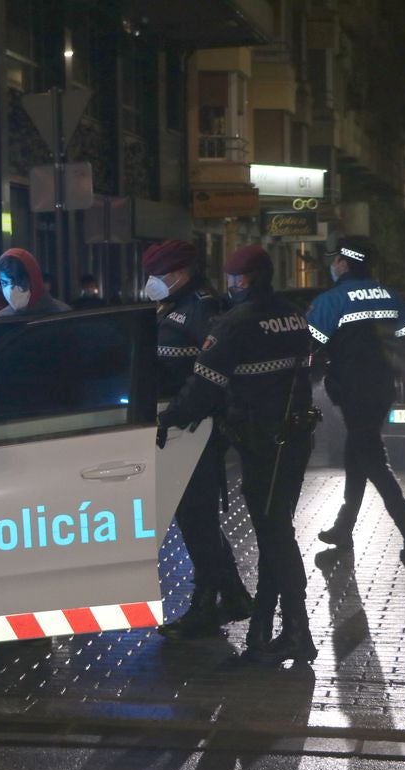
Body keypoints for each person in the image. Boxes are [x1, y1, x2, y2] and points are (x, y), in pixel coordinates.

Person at [158, 245, 319, 663]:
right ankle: (264, 629)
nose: (229, 287)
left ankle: (298, 632)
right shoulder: (293, 314)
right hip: (297, 437)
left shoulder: (233, 325)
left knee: (275, 535)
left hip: (262, 441)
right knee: (274, 529)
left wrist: (165, 418)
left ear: (242, 281)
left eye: (233, 280)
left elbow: (202, 388)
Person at [143, 240, 253, 640]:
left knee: (195, 518)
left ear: (181, 273)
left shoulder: (201, 308)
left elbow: (210, 373)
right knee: (195, 518)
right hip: (180, 425)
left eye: (159, 275)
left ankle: (206, 604)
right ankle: (235, 594)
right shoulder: (174, 305)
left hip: (194, 428)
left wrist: (180, 415)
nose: (152, 282)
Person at [307, 236, 405, 562]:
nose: (333, 265)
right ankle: (343, 529)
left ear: (344, 264)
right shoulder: (388, 294)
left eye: (335, 260)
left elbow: (310, 344)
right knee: (356, 457)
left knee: (373, 462)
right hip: (383, 389)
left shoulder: (332, 300)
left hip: (353, 391)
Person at [0, 249, 70, 316]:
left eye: (18, 282)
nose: (11, 291)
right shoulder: (1, 320)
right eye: (5, 283)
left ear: (34, 281)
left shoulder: (63, 315)